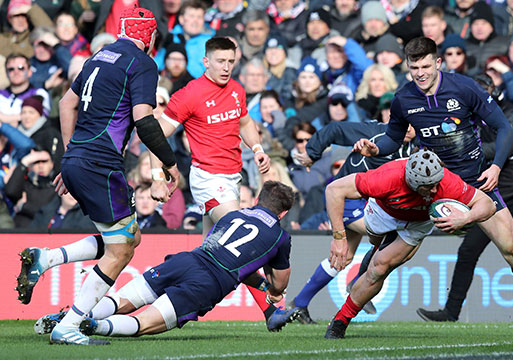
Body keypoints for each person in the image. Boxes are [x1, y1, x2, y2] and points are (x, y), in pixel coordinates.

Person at [352, 36, 513, 338]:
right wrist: (375, 148)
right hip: (430, 187)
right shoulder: (403, 99)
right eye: (414, 67)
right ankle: (344, 317)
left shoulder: (464, 88)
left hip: (475, 184)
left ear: (438, 63)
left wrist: (496, 166)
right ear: (408, 66)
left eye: (426, 65)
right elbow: (394, 139)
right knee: (387, 255)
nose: (420, 73)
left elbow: (503, 126)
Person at [16, 7, 181, 346]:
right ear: (148, 36)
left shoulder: (96, 58)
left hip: (80, 158)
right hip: (101, 164)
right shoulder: (142, 63)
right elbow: (145, 121)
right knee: (121, 250)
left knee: (126, 239)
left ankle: (46, 259)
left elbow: (65, 104)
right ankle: (69, 325)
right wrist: (170, 164)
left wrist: (69, 155)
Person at [150, 36, 296, 328]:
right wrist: (157, 177)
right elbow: (154, 134)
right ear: (206, 61)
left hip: (232, 177)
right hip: (208, 178)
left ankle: (169, 280)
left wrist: (257, 149)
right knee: (243, 242)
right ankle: (272, 309)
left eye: (231, 61)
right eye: (220, 61)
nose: (226, 67)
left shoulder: (237, 89)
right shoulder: (190, 94)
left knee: (210, 256)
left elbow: (244, 123)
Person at [34, 181, 300, 341]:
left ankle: (72, 318)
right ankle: (94, 326)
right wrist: (272, 291)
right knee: (142, 324)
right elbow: (278, 281)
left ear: (256, 200)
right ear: (284, 212)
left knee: (120, 301)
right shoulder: (280, 237)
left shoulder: (233, 215)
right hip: (209, 282)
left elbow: (227, 254)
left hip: (188, 260)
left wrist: (260, 284)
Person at [416, 74, 513, 324]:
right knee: (468, 251)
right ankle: (450, 312)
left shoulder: (511, 114)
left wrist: (457, 148)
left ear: (492, 92)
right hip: (492, 196)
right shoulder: (467, 119)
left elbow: (502, 142)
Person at [324, 149, 498, 339]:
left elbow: (488, 204)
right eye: (427, 186)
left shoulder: (446, 182)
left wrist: (465, 218)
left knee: (379, 269)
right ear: (412, 182)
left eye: (435, 184)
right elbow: (334, 190)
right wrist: (339, 238)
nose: (434, 190)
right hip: (384, 213)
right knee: (376, 245)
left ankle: (339, 322)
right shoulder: (385, 178)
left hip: (418, 222)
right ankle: (377, 248)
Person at [286, 117, 415, 324]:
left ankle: (299, 303)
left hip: (366, 202)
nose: (409, 129)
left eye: (413, 124)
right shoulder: (375, 131)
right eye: (404, 123)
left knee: (343, 258)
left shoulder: (414, 148)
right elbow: (336, 128)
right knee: (391, 235)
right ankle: (357, 282)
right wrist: (312, 152)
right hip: (344, 198)